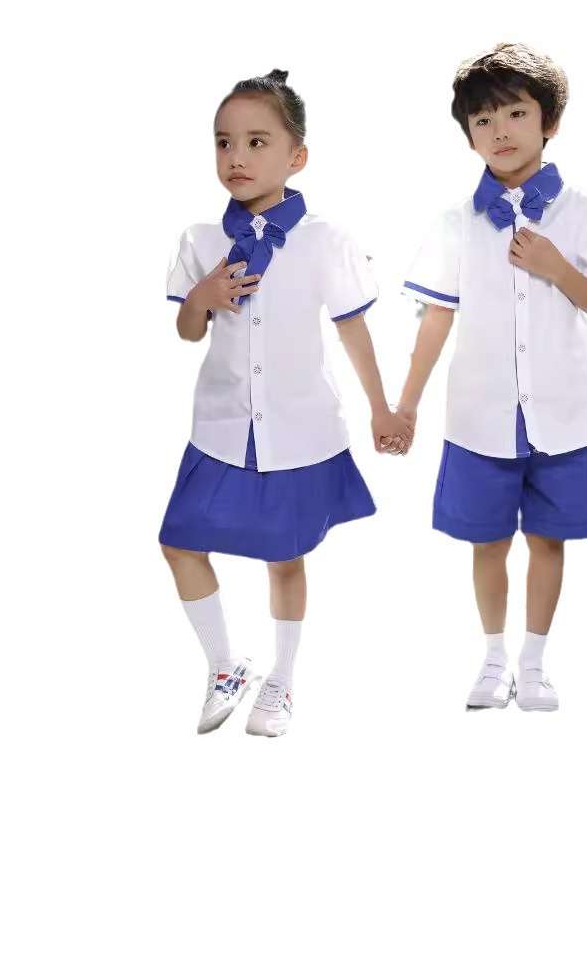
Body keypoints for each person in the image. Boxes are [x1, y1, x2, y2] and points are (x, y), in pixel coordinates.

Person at [161, 69, 411, 737]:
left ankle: (283, 677)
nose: (236, 157)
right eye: (223, 142)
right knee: (179, 542)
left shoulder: (325, 240)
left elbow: (352, 329)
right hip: (220, 428)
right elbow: (188, 331)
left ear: (297, 157)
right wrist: (201, 298)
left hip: (299, 428)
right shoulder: (200, 240)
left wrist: (382, 408)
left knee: (285, 556)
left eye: (256, 142)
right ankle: (225, 664)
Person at [396, 43, 587, 712]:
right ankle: (493, 657)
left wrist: (558, 268)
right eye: (482, 120)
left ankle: (534, 663)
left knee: (548, 539)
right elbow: (436, 320)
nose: (499, 130)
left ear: (549, 122)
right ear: (468, 135)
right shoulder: (456, 224)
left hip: (565, 411)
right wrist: (407, 404)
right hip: (481, 414)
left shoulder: (584, 214)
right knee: (487, 541)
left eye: (515, 113)